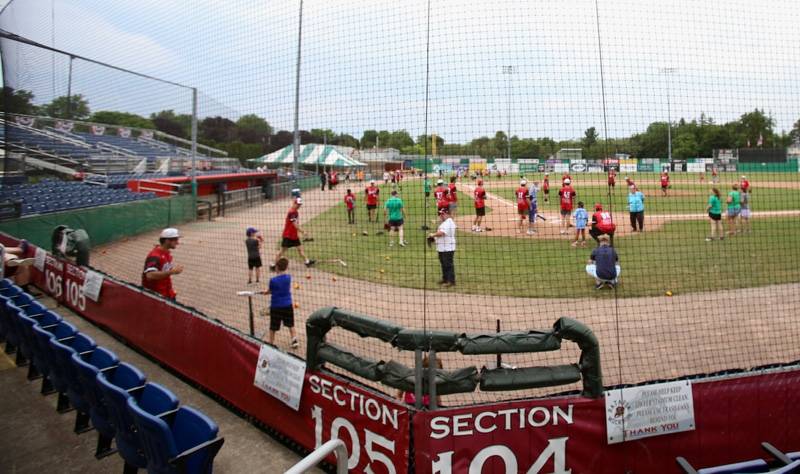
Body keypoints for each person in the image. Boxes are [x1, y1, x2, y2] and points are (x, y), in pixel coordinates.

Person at [260, 258, 298, 349]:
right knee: (290, 324)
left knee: (273, 326)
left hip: (276, 306)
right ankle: (294, 340)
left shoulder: (273, 280)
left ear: (277, 267)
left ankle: (271, 343)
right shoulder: (288, 277)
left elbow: (270, 291)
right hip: (288, 305)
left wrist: (265, 292)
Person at [271, 198, 315, 270]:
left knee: (300, 249)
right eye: (298, 204)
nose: (299, 206)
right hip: (288, 236)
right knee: (282, 251)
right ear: (294, 203)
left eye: (300, 204)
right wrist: (303, 232)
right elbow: (294, 224)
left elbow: (295, 225)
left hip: (294, 236)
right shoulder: (292, 212)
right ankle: (273, 265)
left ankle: (307, 262)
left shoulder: (295, 212)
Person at [142, 228, 183, 300]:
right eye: (175, 240)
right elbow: (150, 275)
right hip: (156, 297)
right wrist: (172, 272)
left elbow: (164, 272)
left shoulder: (166, 253)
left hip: (167, 294)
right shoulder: (155, 256)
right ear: (167, 241)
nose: (177, 242)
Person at [428, 208, 456, 287]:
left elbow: (442, 233)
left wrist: (433, 234)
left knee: (448, 264)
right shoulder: (444, 223)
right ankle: (445, 279)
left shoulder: (448, 222)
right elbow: (441, 235)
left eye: (442, 214)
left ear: (447, 214)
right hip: (442, 248)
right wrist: (433, 239)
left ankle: (451, 281)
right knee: (443, 264)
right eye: (440, 214)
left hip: (447, 248)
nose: (441, 215)